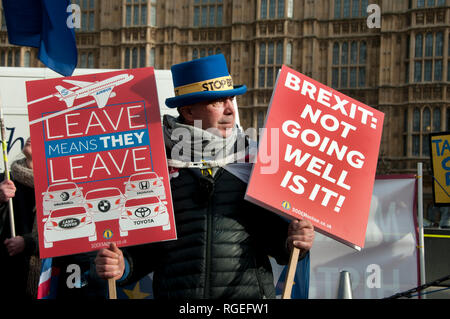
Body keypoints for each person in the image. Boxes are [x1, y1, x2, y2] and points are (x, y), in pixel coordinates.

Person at [95, 54, 315, 299]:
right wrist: (123, 265)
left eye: (231, 98)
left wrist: (294, 240)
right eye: (217, 102)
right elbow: (146, 252)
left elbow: (279, 245)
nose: (231, 110)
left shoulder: (253, 161)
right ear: (189, 111)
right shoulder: (155, 167)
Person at [0, 137, 39, 299]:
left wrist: (28, 243)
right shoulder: (5, 180)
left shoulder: (60, 186)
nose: (31, 136)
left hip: (44, 279)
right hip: (8, 276)